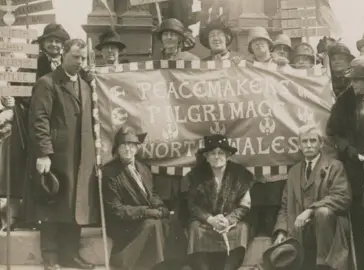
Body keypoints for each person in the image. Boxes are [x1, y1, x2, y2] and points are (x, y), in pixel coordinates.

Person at [25, 39, 97, 270]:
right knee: (53, 204)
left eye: (83, 58)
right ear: (64, 55)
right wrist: (44, 153)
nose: (80, 62)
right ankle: (51, 257)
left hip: (80, 156)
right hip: (56, 156)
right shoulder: (48, 83)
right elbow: (39, 120)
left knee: (75, 205)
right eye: (75, 57)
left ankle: (70, 253)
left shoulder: (85, 86)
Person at [326, 55, 364, 270]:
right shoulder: (344, 100)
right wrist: (351, 152)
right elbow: (333, 132)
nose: (353, 84)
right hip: (352, 168)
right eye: (352, 80)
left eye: (357, 80)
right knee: (356, 216)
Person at [273, 124, 352, 270]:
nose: (309, 145)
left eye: (313, 141)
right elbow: (285, 206)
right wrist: (281, 231)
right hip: (300, 231)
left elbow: (343, 197)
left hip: (330, 229)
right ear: (299, 145)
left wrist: (311, 210)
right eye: (304, 141)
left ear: (321, 143)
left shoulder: (334, 166)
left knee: (323, 212)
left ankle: (325, 266)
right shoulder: (293, 172)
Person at [102, 127, 170, 270]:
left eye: (132, 145)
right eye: (124, 145)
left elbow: (152, 194)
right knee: (152, 224)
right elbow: (116, 210)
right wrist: (146, 212)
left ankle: (171, 264)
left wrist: (159, 207)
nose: (128, 149)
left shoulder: (143, 168)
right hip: (124, 223)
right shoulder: (109, 172)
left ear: (137, 148)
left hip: (144, 218)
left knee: (167, 221)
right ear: (117, 148)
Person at [186, 134, 253, 270]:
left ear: (228, 155)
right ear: (206, 157)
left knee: (242, 229)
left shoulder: (240, 174)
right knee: (194, 228)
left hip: (230, 222)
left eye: (221, 153)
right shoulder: (196, 175)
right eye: (212, 153)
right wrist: (210, 219)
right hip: (207, 222)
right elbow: (192, 205)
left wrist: (228, 220)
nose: (217, 157)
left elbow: (245, 205)